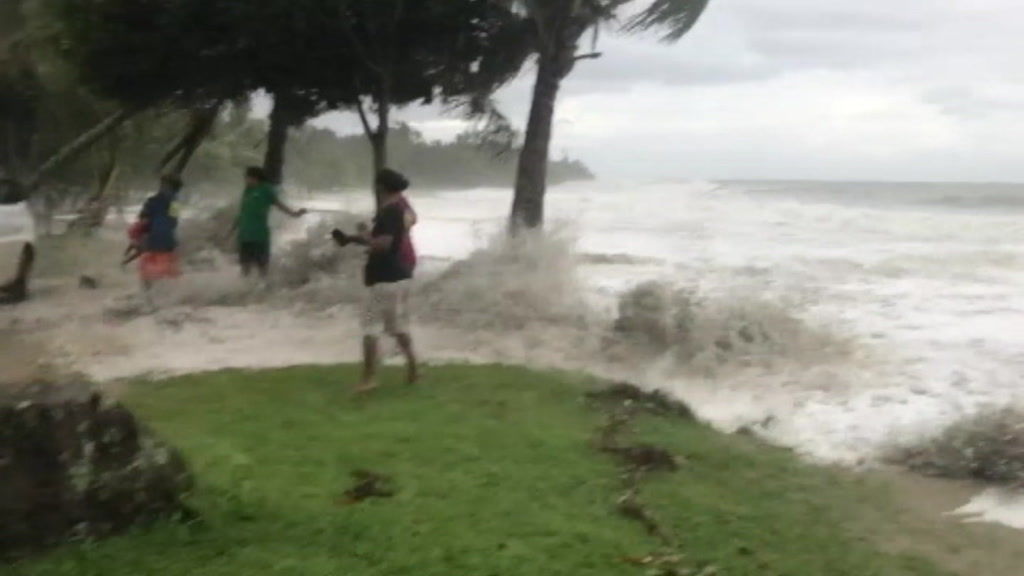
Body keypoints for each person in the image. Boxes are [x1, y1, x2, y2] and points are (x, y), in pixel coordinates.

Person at [333, 169, 418, 392]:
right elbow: (387, 238)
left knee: (370, 328)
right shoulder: (400, 208)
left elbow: (384, 244)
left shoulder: (389, 211)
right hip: (399, 275)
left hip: (384, 277)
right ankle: (413, 367)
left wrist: (365, 239)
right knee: (397, 326)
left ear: (380, 186)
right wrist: (354, 238)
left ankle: (369, 378)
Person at [231, 167, 307, 278]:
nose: (245, 179)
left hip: (260, 236)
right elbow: (242, 213)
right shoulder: (247, 190)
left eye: (246, 177)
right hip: (244, 236)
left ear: (254, 177)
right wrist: (231, 230)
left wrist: (294, 214)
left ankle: (263, 290)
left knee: (262, 267)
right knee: (245, 267)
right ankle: (245, 291)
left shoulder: (266, 189)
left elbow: (279, 205)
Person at [137, 175, 183, 290]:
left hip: (154, 237)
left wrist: (141, 236)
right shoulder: (175, 202)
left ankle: (149, 293)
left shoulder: (153, 201)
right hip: (168, 239)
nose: (161, 187)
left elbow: (143, 220)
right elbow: (174, 222)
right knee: (167, 268)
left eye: (163, 184)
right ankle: (167, 294)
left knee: (148, 268)